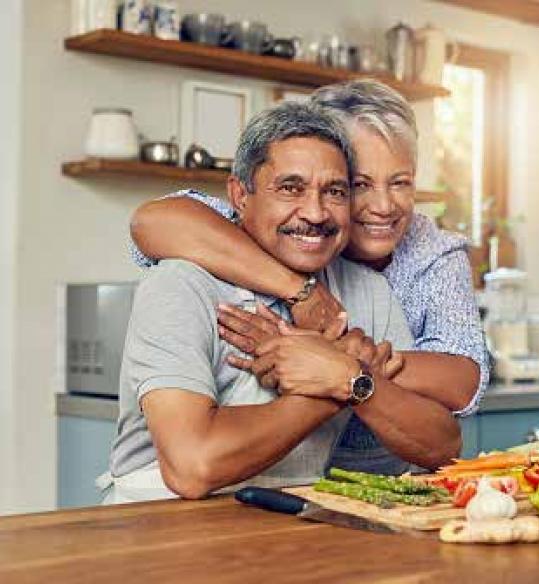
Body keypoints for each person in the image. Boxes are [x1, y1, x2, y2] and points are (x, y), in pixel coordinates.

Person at [106, 102, 460, 503]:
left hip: (291, 521)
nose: (314, 212)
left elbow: (443, 446)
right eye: (291, 188)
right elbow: (192, 467)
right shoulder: (180, 285)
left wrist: (348, 378)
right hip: (161, 524)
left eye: (334, 192)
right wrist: (339, 383)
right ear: (240, 195)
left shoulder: (367, 291)